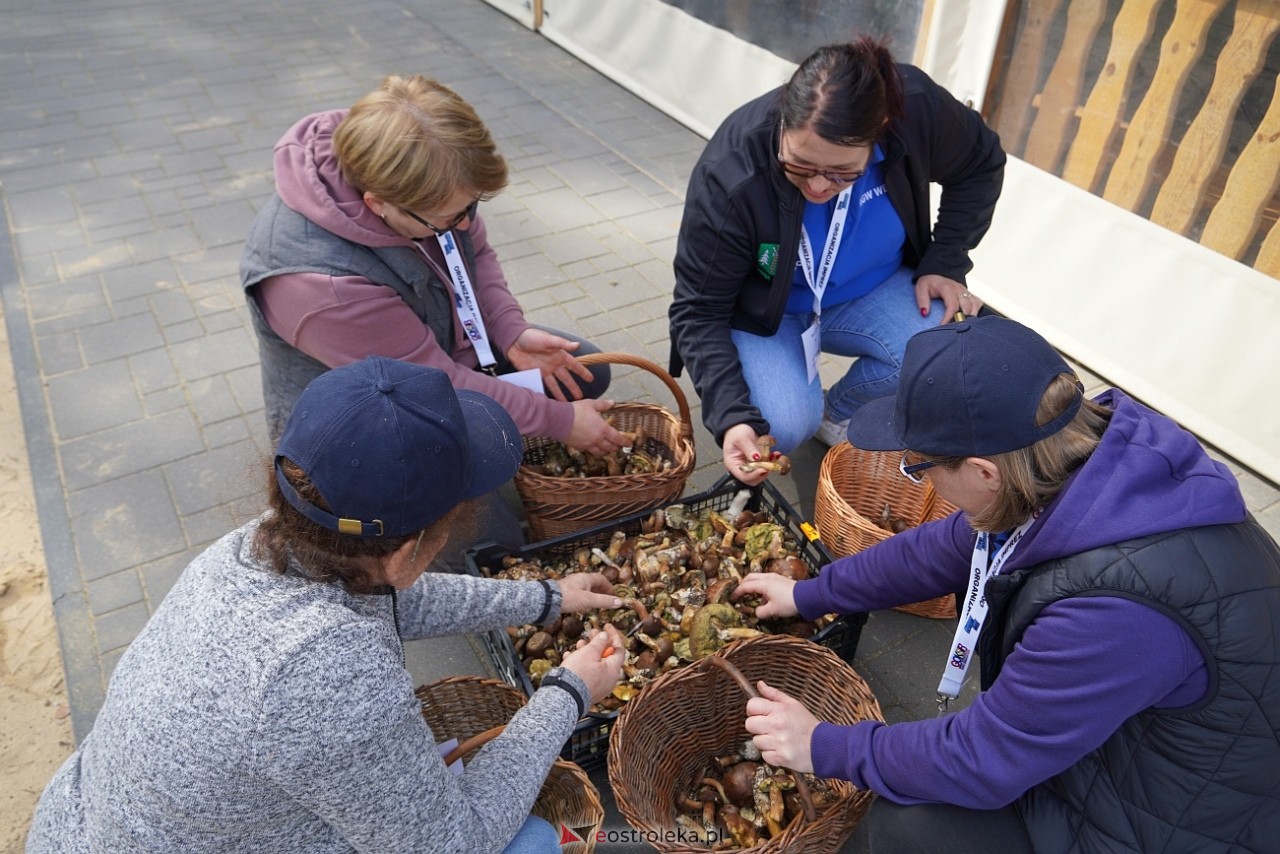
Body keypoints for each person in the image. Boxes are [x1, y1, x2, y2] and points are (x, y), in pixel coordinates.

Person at [28, 357, 626, 854]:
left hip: (91, 821)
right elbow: (455, 843)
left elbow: (394, 599)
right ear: (408, 552)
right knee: (538, 841)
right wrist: (568, 692)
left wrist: (545, 599)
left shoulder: (255, 546)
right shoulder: (328, 677)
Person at [734, 316, 1280, 853]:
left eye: (919, 467)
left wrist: (822, 745)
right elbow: (940, 550)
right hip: (1130, 743)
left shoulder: (1114, 611)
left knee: (909, 827)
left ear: (984, 472)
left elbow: (983, 760)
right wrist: (810, 593)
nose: (919, 478)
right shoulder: (1078, 464)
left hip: (1176, 818)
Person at [241, 75, 628, 558]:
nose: (464, 222)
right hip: (373, 417)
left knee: (583, 372)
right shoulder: (321, 284)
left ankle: (498, 457)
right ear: (378, 203)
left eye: (471, 207)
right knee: (490, 546)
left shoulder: (427, 184)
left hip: (434, 352)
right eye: (450, 217)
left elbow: (475, 252)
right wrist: (558, 421)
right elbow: (434, 385)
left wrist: (509, 331)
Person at [668, 38, 1005, 484]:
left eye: (843, 173)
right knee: (780, 425)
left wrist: (945, 260)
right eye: (799, 166)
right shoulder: (732, 170)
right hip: (765, 312)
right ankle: (798, 410)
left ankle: (838, 413)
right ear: (784, 122)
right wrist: (732, 417)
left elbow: (981, 163)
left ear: (880, 130)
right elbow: (697, 311)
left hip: (870, 287)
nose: (818, 187)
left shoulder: (917, 108)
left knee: (944, 355)